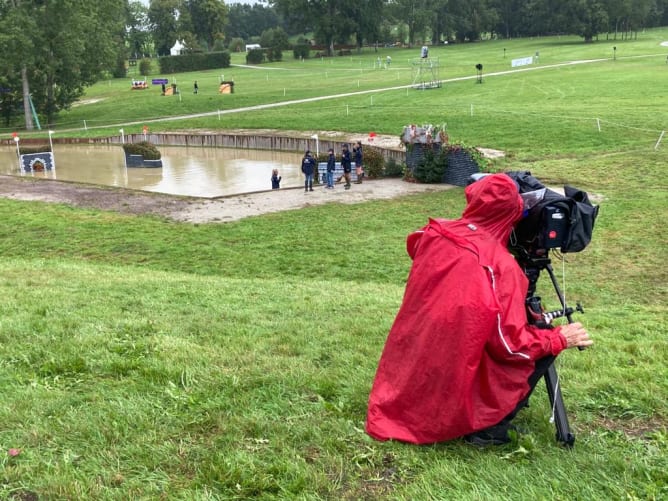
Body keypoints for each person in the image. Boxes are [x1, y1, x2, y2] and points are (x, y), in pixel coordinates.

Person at [365, 174, 593, 446]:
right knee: (541, 339)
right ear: (512, 214)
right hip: (453, 370)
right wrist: (559, 338)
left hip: (416, 356)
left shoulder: (434, 234)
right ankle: (489, 430)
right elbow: (511, 346)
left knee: (532, 336)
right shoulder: (499, 267)